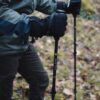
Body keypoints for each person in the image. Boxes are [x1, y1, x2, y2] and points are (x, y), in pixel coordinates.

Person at [0, 0, 70, 100]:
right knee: (3, 92)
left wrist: (61, 6)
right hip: (4, 47)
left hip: (21, 42)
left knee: (40, 80)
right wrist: (34, 25)